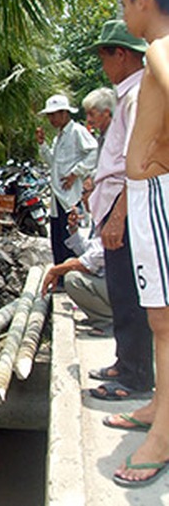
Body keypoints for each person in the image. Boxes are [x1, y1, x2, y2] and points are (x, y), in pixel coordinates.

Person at [107, 0, 169, 488]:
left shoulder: (161, 49)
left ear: (143, 0)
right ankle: (160, 410)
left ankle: (163, 436)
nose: (125, 13)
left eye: (125, 4)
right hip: (148, 191)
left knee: (166, 322)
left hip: (158, 192)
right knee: (159, 320)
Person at [82, 23, 154, 403]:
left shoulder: (136, 95)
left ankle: (136, 375)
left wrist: (118, 215)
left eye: (104, 56)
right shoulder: (127, 95)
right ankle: (125, 363)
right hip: (115, 200)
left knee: (128, 292)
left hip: (123, 204)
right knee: (121, 289)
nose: (103, 64)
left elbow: (136, 161)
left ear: (121, 54)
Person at [35, 94, 98, 266]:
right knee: (58, 237)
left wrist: (75, 173)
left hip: (71, 195)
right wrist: (42, 145)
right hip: (58, 195)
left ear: (64, 113)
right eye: (49, 115)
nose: (51, 119)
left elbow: (94, 151)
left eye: (54, 114)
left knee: (70, 237)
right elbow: (52, 163)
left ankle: (71, 273)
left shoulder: (77, 131)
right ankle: (61, 275)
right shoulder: (59, 137)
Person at [42, 210, 112, 337]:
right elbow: (86, 250)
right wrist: (74, 229)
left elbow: (92, 259)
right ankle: (100, 315)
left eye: (85, 193)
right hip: (109, 281)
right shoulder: (99, 220)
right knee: (69, 264)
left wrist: (54, 270)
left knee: (73, 279)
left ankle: (108, 322)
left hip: (119, 285)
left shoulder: (112, 221)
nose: (83, 198)